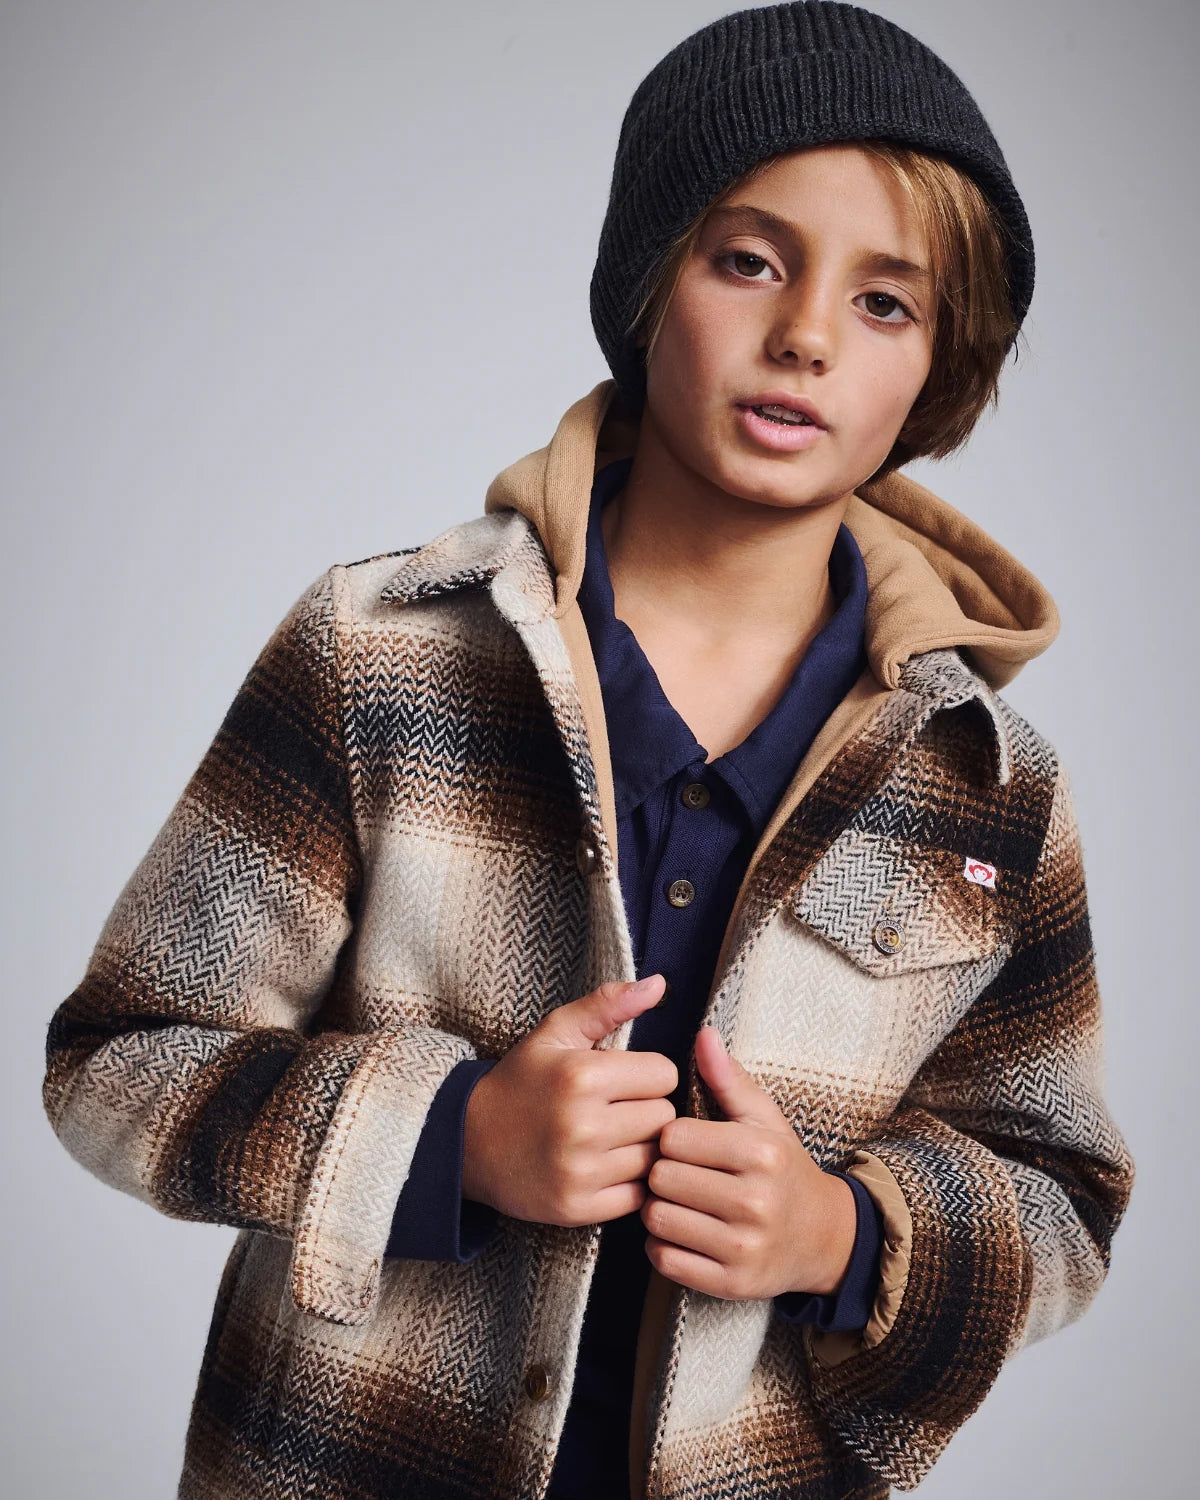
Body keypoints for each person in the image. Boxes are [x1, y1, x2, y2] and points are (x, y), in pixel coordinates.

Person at [41, 5, 1134, 1498]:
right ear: (648, 281)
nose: (807, 335)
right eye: (748, 261)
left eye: (887, 301)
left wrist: (844, 1235)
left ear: (941, 362)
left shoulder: (988, 785)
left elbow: (1065, 1201)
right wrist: (450, 1139)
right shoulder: (381, 654)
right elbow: (117, 1066)